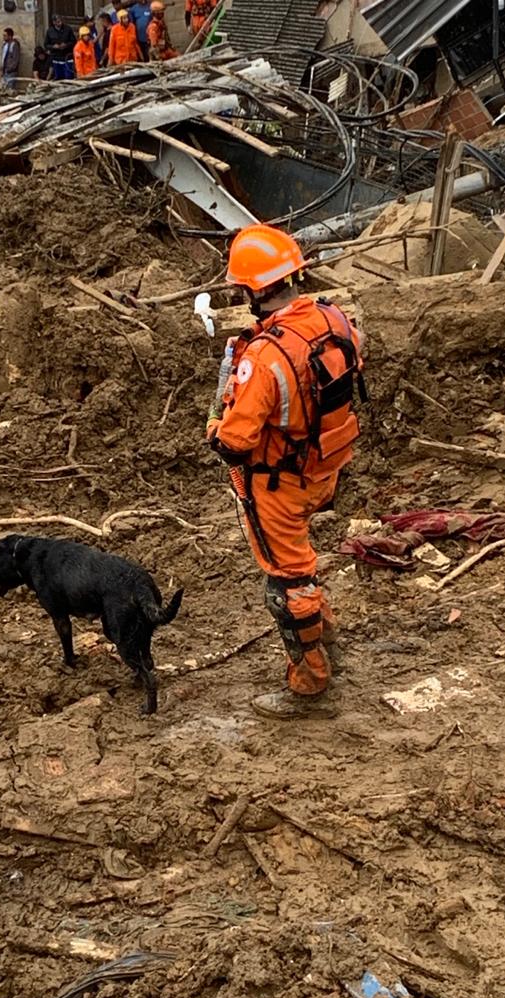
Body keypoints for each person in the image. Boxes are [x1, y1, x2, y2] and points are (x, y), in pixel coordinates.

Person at [207, 225, 365, 718]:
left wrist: (215, 421)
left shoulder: (265, 356)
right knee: (300, 566)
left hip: (276, 483)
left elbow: (234, 443)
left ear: (252, 289)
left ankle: (310, 683)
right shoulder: (334, 320)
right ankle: (326, 636)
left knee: (287, 580)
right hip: (325, 465)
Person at [45, 14, 77, 81]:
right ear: (54, 22)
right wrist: (53, 46)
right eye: (57, 21)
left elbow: (74, 41)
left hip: (67, 57)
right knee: (58, 77)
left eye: (60, 21)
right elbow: (46, 44)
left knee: (68, 77)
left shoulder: (68, 29)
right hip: (56, 58)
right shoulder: (49, 31)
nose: (59, 23)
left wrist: (66, 45)